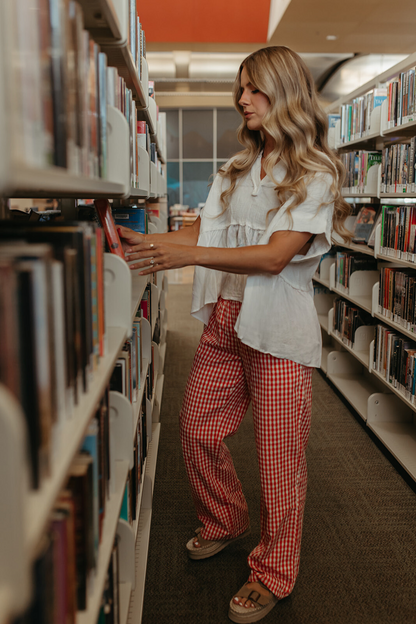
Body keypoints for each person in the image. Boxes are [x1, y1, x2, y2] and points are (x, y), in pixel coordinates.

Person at [117, 46, 351, 623]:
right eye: (240, 89)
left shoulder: (315, 172)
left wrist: (188, 255)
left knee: (279, 461)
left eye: (254, 88)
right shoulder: (237, 169)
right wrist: (130, 243)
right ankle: (226, 518)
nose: (242, 99)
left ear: (286, 91)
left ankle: (274, 569)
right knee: (196, 427)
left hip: (277, 334)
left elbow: (274, 258)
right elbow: (197, 232)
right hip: (226, 320)